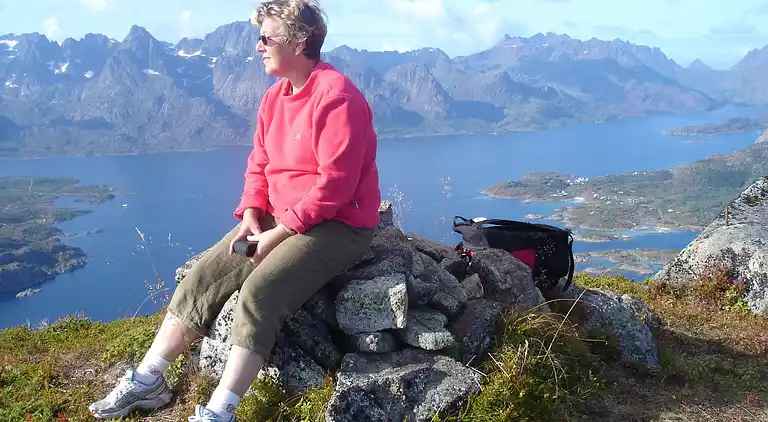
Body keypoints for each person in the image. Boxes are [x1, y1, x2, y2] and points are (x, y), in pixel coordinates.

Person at [87, 0, 382, 420]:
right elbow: (259, 165)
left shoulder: (337, 98)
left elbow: (335, 186)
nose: (258, 47)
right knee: (202, 277)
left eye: (267, 38)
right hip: (279, 215)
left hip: (338, 225)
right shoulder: (274, 98)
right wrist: (251, 214)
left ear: (300, 41)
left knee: (259, 294)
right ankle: (148, 380)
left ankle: (220, 411)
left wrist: (277, 235)